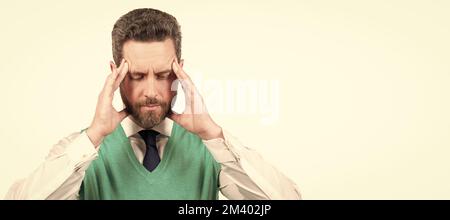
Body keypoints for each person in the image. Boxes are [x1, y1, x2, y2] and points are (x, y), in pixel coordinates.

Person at [5, 8, 301, 200]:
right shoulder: (81, 151)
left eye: (162, 75)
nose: (150, 91)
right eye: (135, 76)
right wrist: (93, 137)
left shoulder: (211, 149)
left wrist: (213, 135)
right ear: (115, 75)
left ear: (180, 70)